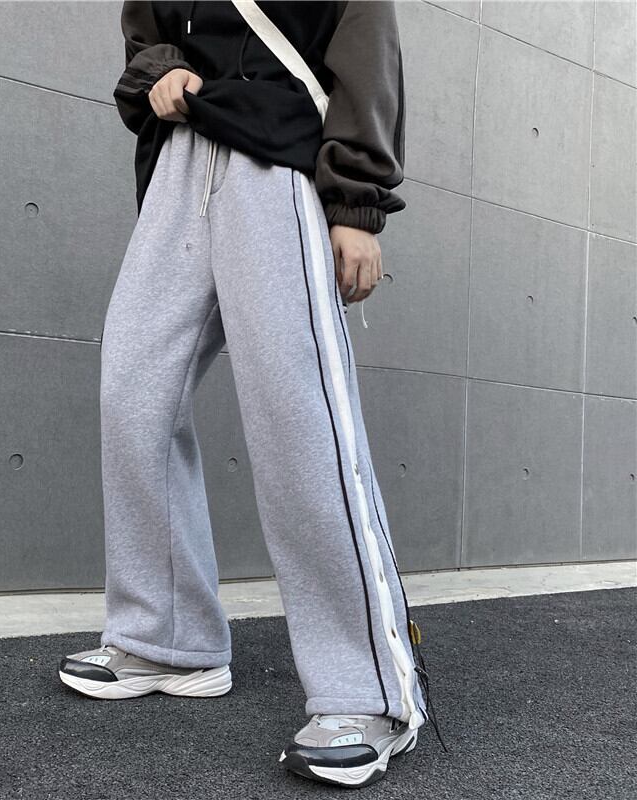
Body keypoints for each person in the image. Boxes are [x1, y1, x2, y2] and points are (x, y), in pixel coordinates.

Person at [58, 0, 444, 789]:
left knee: (300, 423)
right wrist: (161, 72)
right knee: (134, 395)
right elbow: (146, 31)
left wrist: (357, 202)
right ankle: (169, 641)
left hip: (279, 166)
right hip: (182, 162)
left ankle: (371, 694)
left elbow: (367, 52)